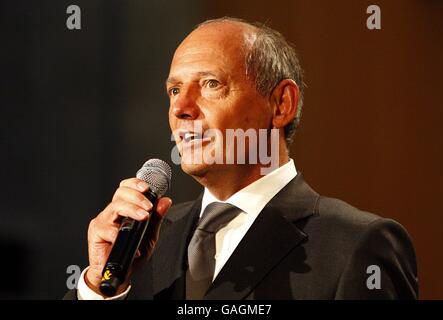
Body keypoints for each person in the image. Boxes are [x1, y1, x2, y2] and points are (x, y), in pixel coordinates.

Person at [64, 17, 418, 300]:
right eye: (174, 90)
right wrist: (98, 287)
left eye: (210, 84)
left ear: (281, 105)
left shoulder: (355, 245)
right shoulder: (140, 241)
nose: (180, 108)